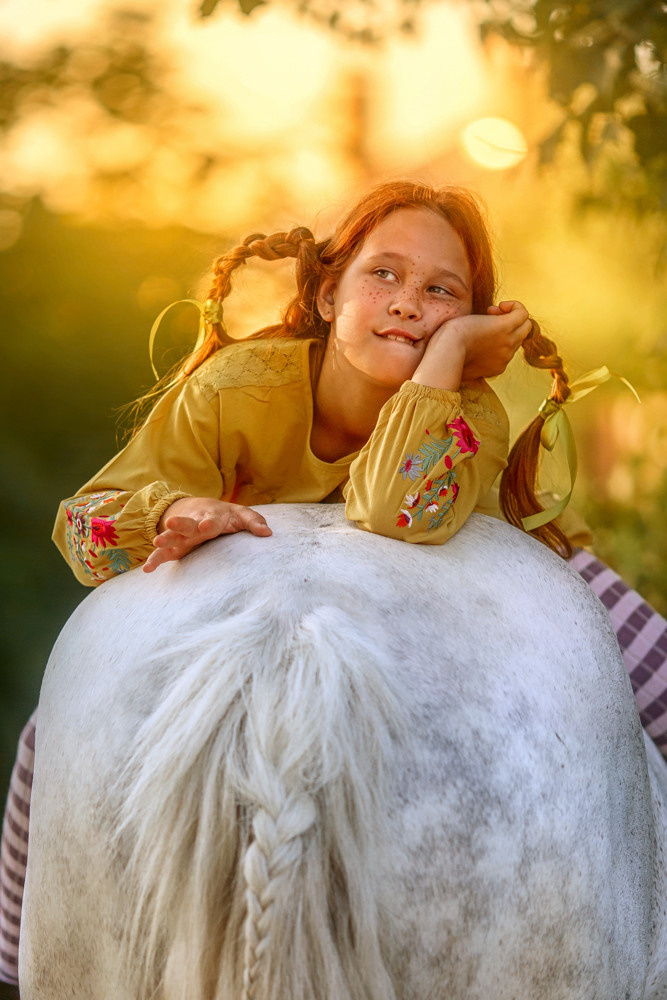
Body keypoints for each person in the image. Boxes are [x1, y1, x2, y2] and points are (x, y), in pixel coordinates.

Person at [1, 181, 665, 988]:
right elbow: (84, 529)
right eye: (381, 275)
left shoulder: (471, 414)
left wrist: (448, 363)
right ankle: (16, 959)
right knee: (55, 727)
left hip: (507, 562)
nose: (406, 304)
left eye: (439, 292)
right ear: (325, 293)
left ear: (465, 319)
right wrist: (168, 509)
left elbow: (393, 514)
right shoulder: (234, 388)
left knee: (655, 676)